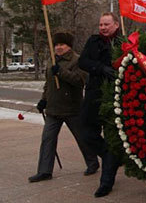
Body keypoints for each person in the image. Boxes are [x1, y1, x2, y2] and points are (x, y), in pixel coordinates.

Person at [29, 32, 99, 183]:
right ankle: (44, 171)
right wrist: (43, 101)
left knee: (82, 138)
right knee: (47, 140)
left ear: (69, 46)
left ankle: (92, 162)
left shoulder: (78, 60)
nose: (58, 48)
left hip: (72, 108)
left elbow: (79, 81)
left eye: (62, 44)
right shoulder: (52, 61)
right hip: (53, 109)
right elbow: (49, 84)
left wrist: (60, 72)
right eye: (56, 45)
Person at [79, 12, 122, 198]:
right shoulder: (93, 41)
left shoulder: (123, 43)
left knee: (112, 137)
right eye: (101, 24)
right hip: (93, 94)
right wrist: (101, 68)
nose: (103, 27)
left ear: (116, 25)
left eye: (106, 24)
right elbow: (83, 61)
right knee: (86, 133)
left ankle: (106, 182)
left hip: (114, 97)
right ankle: (108, 156)